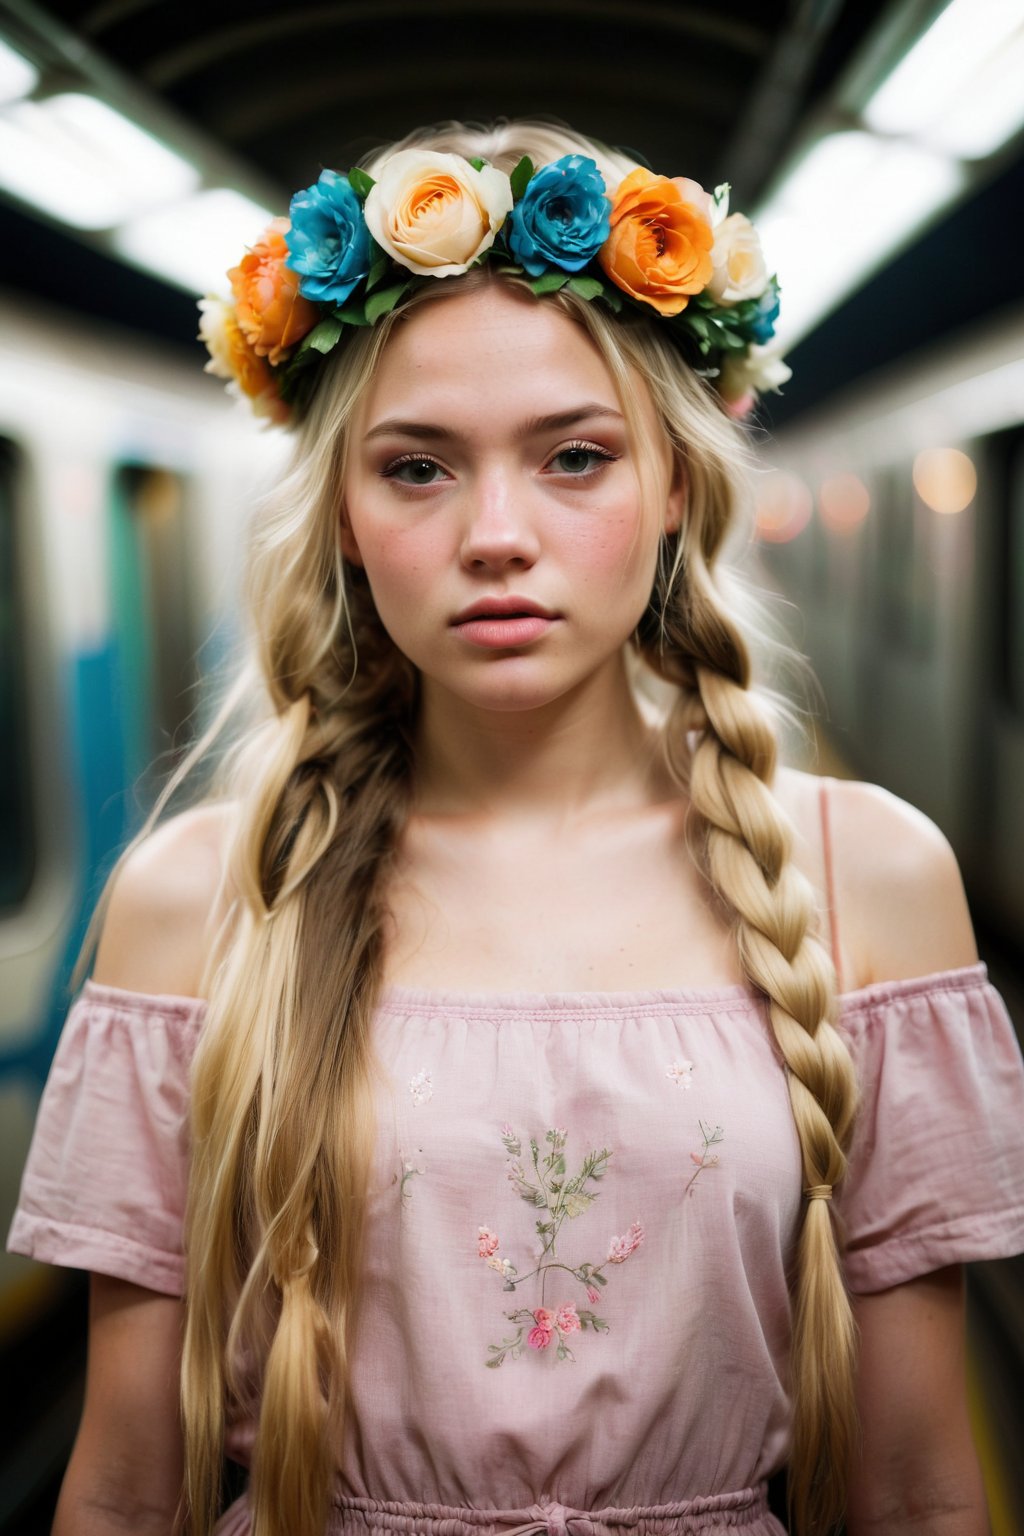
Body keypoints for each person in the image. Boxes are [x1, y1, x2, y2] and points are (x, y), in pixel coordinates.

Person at [8, 119, 1024, 1536]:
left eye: (574, 458)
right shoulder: (195, 902)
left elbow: (921, 1490)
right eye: (418, 468)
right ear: (346, 519)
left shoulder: (870, 881)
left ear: (676, 486)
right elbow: (122, 1488)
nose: (496, 533)